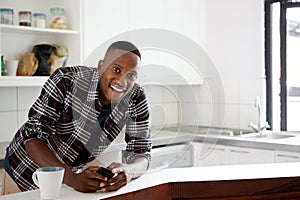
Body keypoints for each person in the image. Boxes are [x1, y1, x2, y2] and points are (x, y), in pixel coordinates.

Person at [2, 41, 152, 194]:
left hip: (68, 182)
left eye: (131, 75)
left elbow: (141, 152)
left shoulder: (136, 98)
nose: (122, 81)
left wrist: (129, 171)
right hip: (23, 172)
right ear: (101, 66)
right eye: (116, 69)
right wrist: (72, 178)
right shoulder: (66, 80)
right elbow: (33, 136)